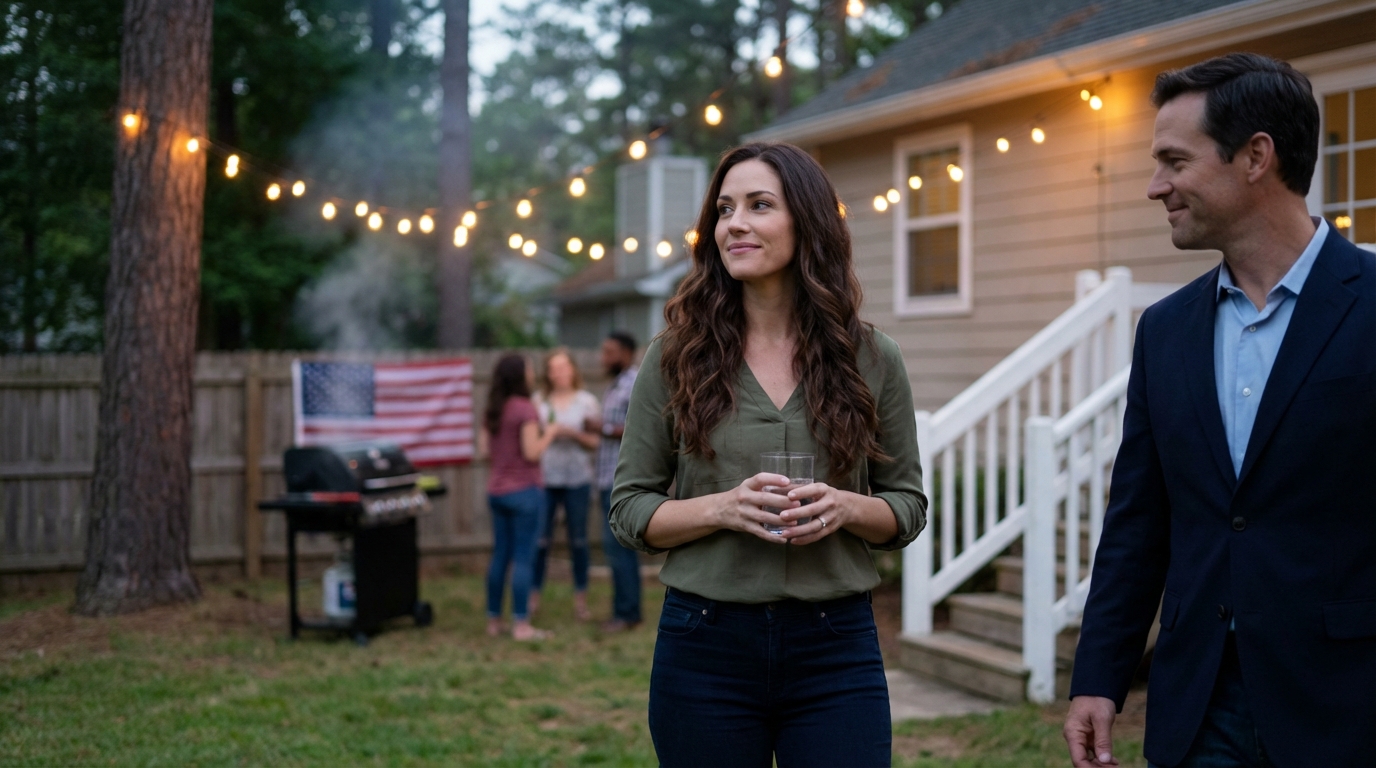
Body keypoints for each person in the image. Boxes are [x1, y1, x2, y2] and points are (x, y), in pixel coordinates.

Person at [1064, 53, 1376, 768]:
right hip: (1199, 707)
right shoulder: (1165, 330)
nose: (1154, 187)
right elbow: (1138, 523)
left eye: (1175, 160)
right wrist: (1099, 679)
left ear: (1255, 157)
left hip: (1348, 705)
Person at [608, 142, 927, 768]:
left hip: (836, 646)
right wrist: (721, 509)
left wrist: (844, 508)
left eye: (759, 205)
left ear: (805, 220)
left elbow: (907, 508)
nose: (735, 224)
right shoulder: (675, 358)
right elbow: (629, 511)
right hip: (704, 645)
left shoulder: (872, 358)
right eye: (725, 209)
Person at [478, 353, 558, 642]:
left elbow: (484, 451)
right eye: (529, 369)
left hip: (497, 492)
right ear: (519, 375)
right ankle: (522, 625)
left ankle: (493, 621)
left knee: (500, 555)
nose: (533, 373)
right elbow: (532, 452)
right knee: (523, 558)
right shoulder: (525, 409)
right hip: (524, 492)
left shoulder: (493, 409)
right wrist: (549, 433)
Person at [529, 348, 600, 622]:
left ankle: (581, 601)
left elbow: (596, 443)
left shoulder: (586, 402)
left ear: (573, 369)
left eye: (563, 367)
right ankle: (533, 597)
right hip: (545, 479)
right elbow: (531, 440)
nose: (559, 373)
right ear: (547, 374)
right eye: (553, 368)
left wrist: (570, 433)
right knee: (540, 540)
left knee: (579, 541)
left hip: (578, 479)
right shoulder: (539, 401)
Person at [583, 331, 643, 632]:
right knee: (614, 549)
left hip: (621, 479)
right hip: (606, 476)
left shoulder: (633, 383)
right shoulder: (615, 385)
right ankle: (625, 610)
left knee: (619, 549)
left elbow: (639, 428)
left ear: (626, 353)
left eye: (609, 352)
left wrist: (601, 426)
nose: (603, 358)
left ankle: (627, 613)